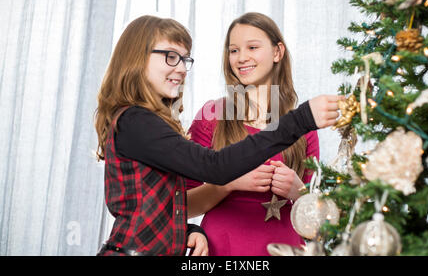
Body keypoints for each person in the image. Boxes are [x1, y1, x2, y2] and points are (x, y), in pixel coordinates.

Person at [94, 15, 341, 256]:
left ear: (278, 52)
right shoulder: (138, 121)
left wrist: (189, 230)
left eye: (184, 59)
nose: (181, 69)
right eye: (171, 57)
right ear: (137, 57)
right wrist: (302, 119)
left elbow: (163, 206)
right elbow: (213, 169)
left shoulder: (147, 122)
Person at [186, 12, 320, 256]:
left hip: (286, 249)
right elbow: (182, 206)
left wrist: (299, 191)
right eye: (234, 50)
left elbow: (318, 221)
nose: (241, 58)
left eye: (253, 47)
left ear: (277, 52)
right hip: (222, 249)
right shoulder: (211, 117)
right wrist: (225, 184)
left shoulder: (301, 125)